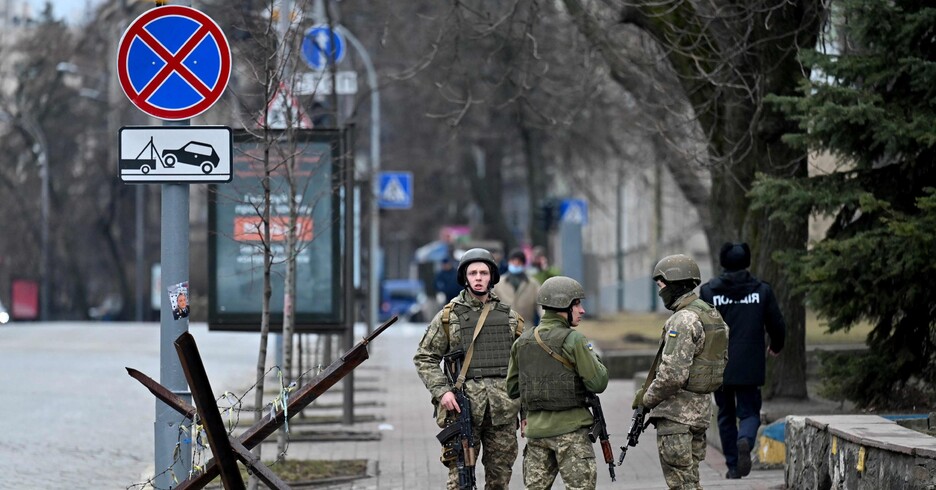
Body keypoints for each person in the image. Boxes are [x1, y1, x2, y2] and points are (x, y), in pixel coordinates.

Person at [414, 248, 523, 489]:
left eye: (484, 272)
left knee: (499, 480)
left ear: (492, 276)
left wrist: (525, 413)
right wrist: (443, 392)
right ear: (464, 277)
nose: (478, 277)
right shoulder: (448, 316)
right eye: (472, 272)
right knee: (460, 481)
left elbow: (523, 366)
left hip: (502, 411)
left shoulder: (510, 317)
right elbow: (425, 357)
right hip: (463, 409)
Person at [633, 254, 729, 490]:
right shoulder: (710, 314)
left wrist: (646, 399)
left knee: (681, 484)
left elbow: (671, 376)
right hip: (699, 413)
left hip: (677, 417)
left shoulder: (683, 320)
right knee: (691, 481)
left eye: (661, 285)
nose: (659, 291)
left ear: (676, 284)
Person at [506, 276, 608, 489]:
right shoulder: (574, 340)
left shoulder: (521, 342)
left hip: (536, 437)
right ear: (563, 306)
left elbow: (513, 388)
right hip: (571, 435)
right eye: (577, 304)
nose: (582, 310)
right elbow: (598, 383)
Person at [699, 242, 785, 480]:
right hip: (750, 364)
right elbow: (777, 324)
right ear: (747, 262)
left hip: (720, 365)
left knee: (725, 414)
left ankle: (734, 467)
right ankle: (745, 439)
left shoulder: (709, 292)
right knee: (749, 412)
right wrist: (776, 346)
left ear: (723, 262)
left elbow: (702, 328)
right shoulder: (761, 291)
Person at [493, 248, 542, 327]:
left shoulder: (533, 284)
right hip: (504, 328)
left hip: (527, 328)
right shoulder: (499, 283)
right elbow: (491, 304)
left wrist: (543, 324)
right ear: (508, 262)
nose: (516, 264)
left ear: (523, 264)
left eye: (519, 262)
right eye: (513, 261)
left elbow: (541, 305)